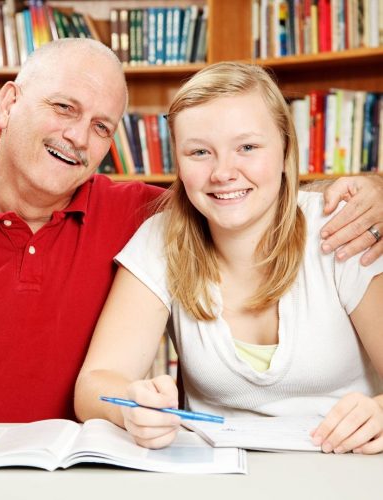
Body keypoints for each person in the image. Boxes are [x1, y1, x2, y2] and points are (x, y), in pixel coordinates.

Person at [0, 40, 382, 424]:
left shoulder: (141, 213)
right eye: (64, 108)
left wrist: (375, 188)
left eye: (102, 126)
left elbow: (246, 196)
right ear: (10, 102)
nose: (78, 136)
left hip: (69, 468)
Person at [74, 62, 383, 455]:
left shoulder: (344, 228)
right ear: (179, 163)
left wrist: (379, 413)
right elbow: (95, 384)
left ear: (286, 149)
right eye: (200, 152)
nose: (223, 172)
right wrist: (133, 406)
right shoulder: (161, 239)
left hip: (346, 470)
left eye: (248, 148)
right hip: (216, 474)